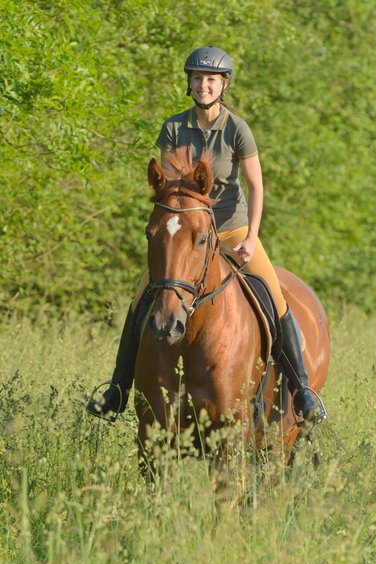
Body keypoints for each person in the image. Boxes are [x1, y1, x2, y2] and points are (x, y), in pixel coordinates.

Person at [86, 45, 325, 424]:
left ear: (223, 84)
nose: (203, 85)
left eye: (211, 79)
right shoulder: (173, 127)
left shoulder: (237, 129)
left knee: (275, 299)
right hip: (188, 234)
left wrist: (251, 238)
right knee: (140, 300)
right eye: (197, 78)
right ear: (190, 83)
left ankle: (303, 392)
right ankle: (117, 388)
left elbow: (256, 186)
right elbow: (169, 188)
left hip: (233, 229)